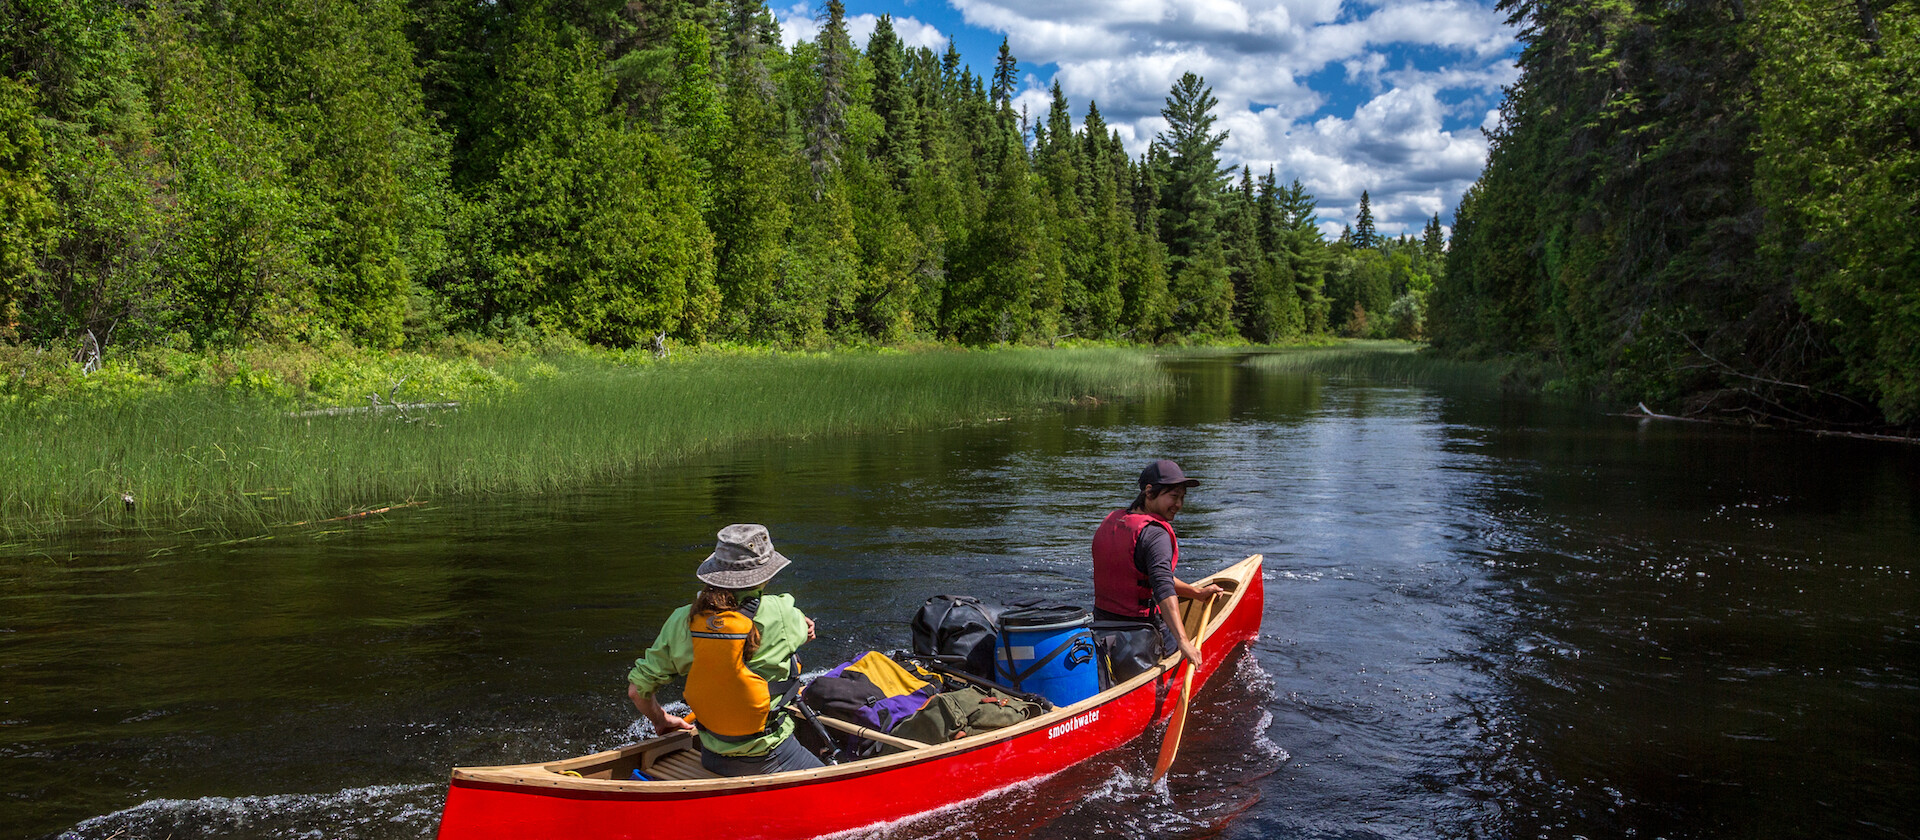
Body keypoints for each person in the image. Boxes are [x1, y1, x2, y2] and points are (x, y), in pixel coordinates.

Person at [626, 523, 823, 776]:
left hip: (712, 755)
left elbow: (636, 691)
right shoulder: (784, 612)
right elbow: (804, 631)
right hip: (771, 757)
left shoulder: (682, 619)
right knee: (845, 794)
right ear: (767, 574)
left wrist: (661, 720)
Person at [1092, 459, 1226, 668]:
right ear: (1149, 491)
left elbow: (1146, 575)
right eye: (1173, 496)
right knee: (1185, 649)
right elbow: (1163, 587)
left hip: (1100, 631)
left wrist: (1196, 593)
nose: (1179, 505)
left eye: (1182, 498)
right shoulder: (1155, 534)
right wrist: (1184, 642)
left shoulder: (1112, 521)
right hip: (1140, 635)